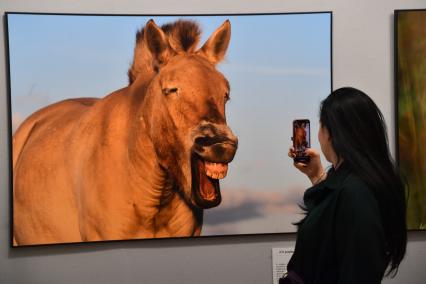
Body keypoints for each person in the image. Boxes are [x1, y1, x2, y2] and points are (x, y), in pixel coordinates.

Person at [280, 87, 407, 284]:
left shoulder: (357, 193)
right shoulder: (349, 183)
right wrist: (317, 175)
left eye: (321, 126)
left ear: (330, 133)